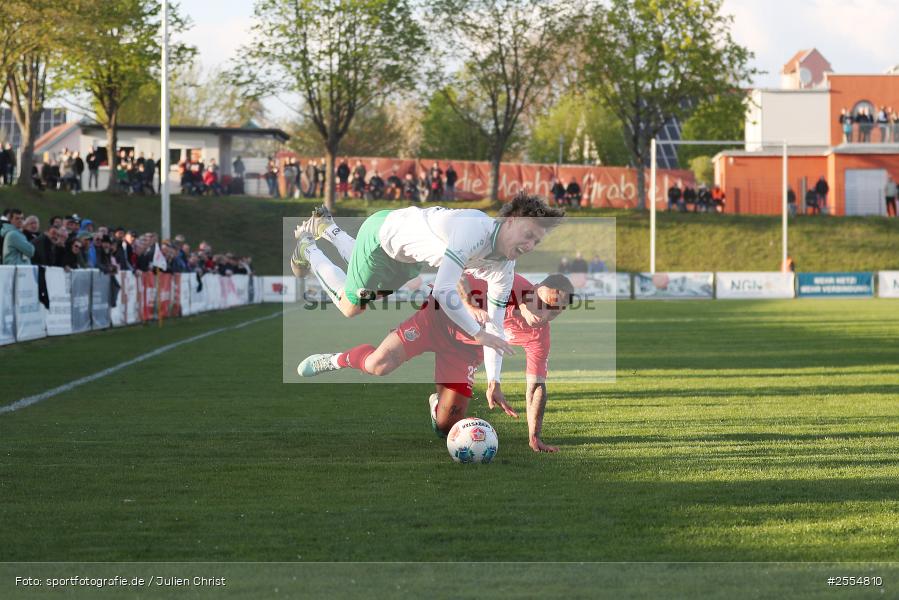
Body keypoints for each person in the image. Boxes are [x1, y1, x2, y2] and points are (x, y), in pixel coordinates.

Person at [290, 192, 566, 379]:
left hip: (407, 259)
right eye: (528, 235)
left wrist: (494, 380)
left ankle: (329, 229)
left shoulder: (504, 265)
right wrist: (477, 333)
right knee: (352, 307)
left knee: (364, 281)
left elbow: (494, 326)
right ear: (510, 221)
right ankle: (308, 248)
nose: (529, 246)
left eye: (536, 242)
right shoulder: (473, 228)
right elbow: (444, 292)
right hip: (381, 237)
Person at [297, 272, 573, 451]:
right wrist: (469, 306)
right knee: (378, 366)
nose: (545, 314)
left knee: (446, 428)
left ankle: (436, 404)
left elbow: (536, 386)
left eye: (555, 312)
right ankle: (335, 360)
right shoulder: (505, 281)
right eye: (544, 303)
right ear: (535, 289)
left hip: (465, 351)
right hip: (436, 320)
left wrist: (534, 435)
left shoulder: (539, 335)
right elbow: (454, 276)